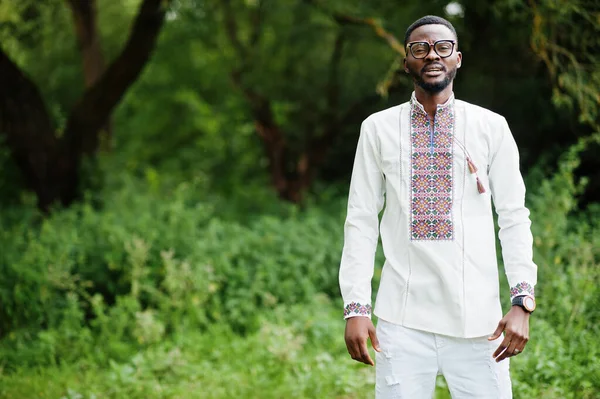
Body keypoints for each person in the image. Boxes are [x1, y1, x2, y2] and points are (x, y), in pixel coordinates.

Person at [339, 15, 537, 398]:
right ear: (406, 61)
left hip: (479, 324)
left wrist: (522, 302)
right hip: (402, 322)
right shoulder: (377, 128)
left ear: (457, 58)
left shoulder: (490, 127)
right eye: (420, 48)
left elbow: (514, 217)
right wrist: (356, 307)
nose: (432, 55)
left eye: (442, 47)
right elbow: (360, 220)